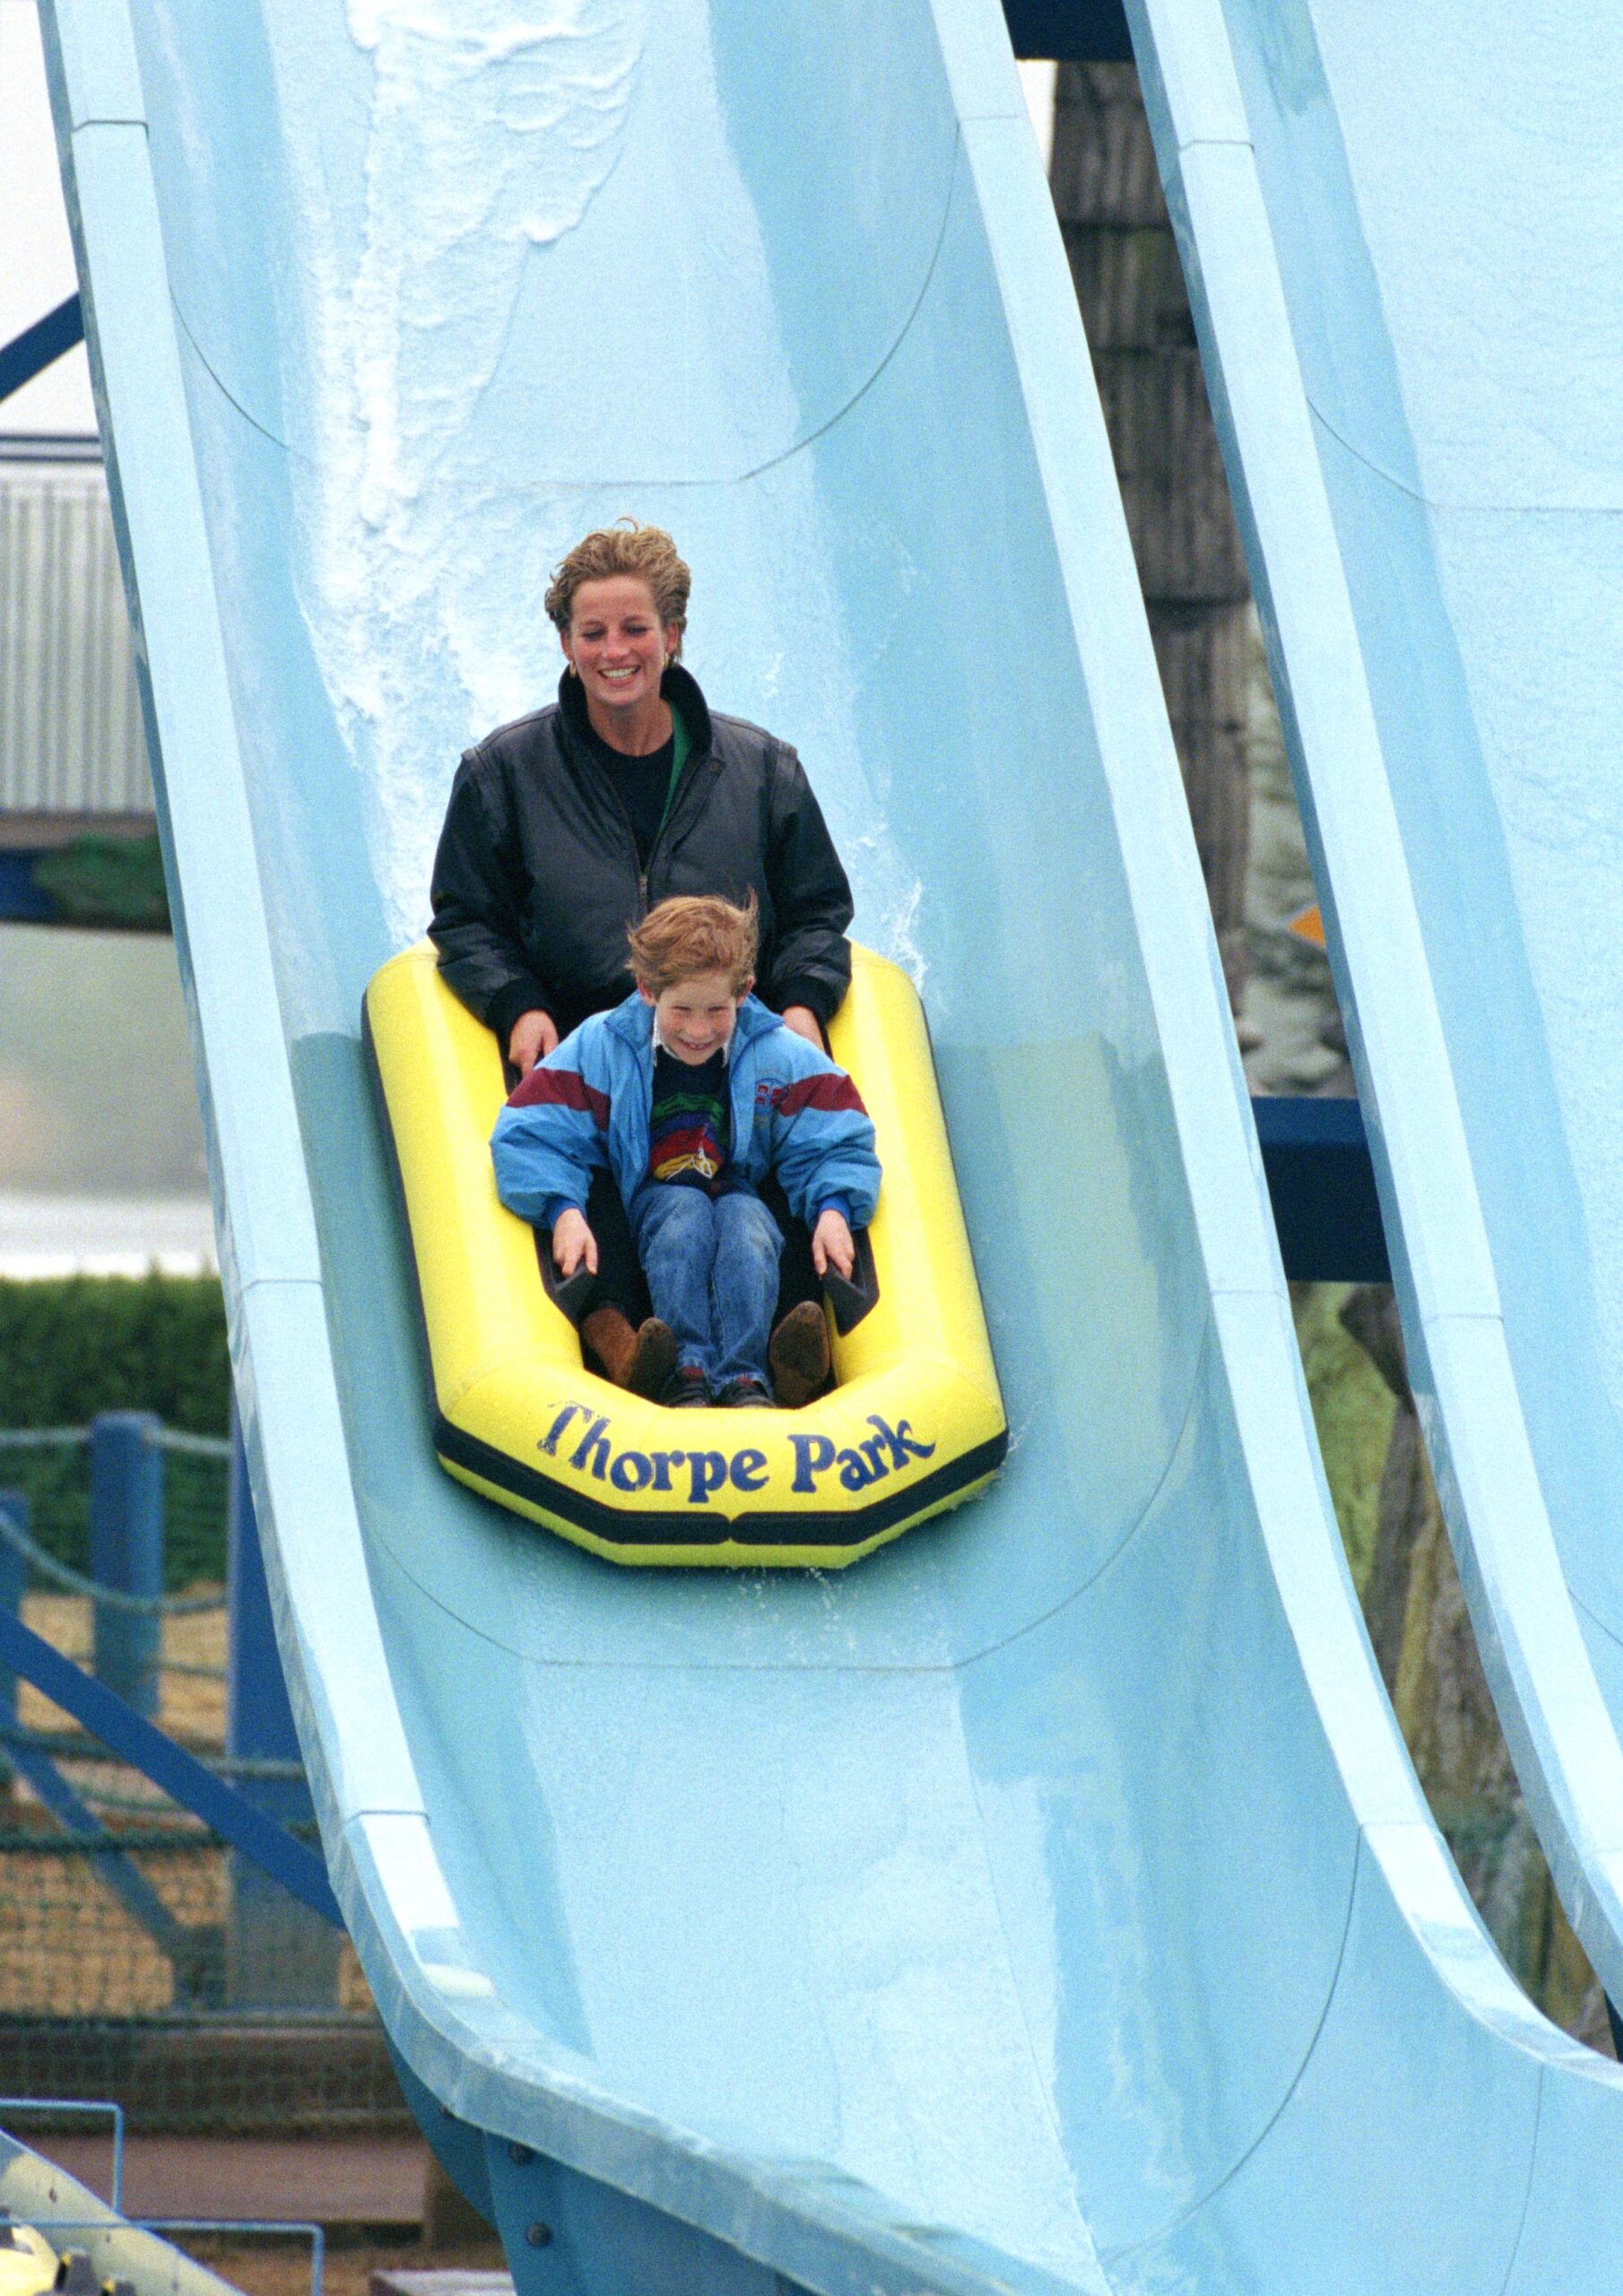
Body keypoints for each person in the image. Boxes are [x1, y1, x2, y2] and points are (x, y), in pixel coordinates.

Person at [430, 521, 854, 1403]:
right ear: (565, 643)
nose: (615, 651)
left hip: (724, 1036)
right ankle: (626, 1346)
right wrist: (515, 1002)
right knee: (597, 1188)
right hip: (600, 1044)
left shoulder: (760, 770)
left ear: (673, 635)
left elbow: (816, 912)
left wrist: (807, 999)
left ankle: (782, 1349)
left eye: (634, 629)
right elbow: (465, 918)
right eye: (594, 633)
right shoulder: (503, 773)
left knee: (759, 1187)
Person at [490, 897, 880, 1409]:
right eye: (682, 1011)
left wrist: (834, 1209)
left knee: (749, 1222)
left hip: (735, 1187)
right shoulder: (605, 1046)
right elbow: (530, 1132)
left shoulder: (773, 1052)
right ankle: (686, 1368)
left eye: (717, 1010)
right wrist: (562, 1210)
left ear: (744, 992)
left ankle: (747, 1376)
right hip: (654, 1195)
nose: (699, 1030)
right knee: (684, 1211)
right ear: (649, 992)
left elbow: (835, 1135)